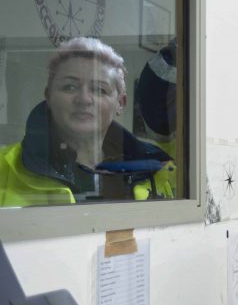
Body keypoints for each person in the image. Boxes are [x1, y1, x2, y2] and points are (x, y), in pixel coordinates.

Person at [0, 37, 176, 206]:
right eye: (69, 86)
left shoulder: (158, 171)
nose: (84, 99)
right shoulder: (4, 167)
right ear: (49, 97)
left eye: (99, 89)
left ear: (120, 103)